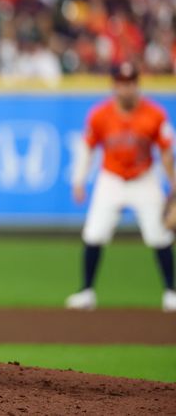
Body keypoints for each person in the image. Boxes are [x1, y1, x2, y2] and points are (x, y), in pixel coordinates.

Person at [66, 61, 176, 312]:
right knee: (93, 235)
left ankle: (171, 293)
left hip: (144, 178)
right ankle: (86, 292)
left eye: (130, 84)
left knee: (160, 236)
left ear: (137, 85)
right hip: (111, 179)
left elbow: (166, 151)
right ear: (114, 86)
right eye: (122, 84)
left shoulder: (155, 114)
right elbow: (87, 148)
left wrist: (173, 183)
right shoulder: (100, 114)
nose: (126, 89)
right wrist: (79, 180)